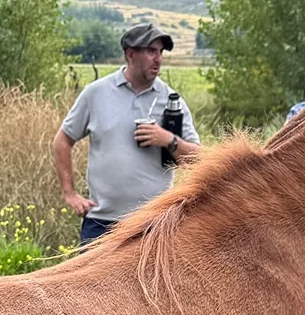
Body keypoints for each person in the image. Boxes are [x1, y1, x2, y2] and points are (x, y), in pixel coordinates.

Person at [53, 23, 202, 245]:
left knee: (154, 282)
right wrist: (70, 194)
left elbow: (198, 159)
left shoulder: (171, 101)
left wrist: (168, 140)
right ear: (130, 54)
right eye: (151, 51)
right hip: (101, 223)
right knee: (93, 281)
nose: (158, 59)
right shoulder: (96, 93)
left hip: (153, 224)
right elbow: (62, 141)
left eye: (161, 52)